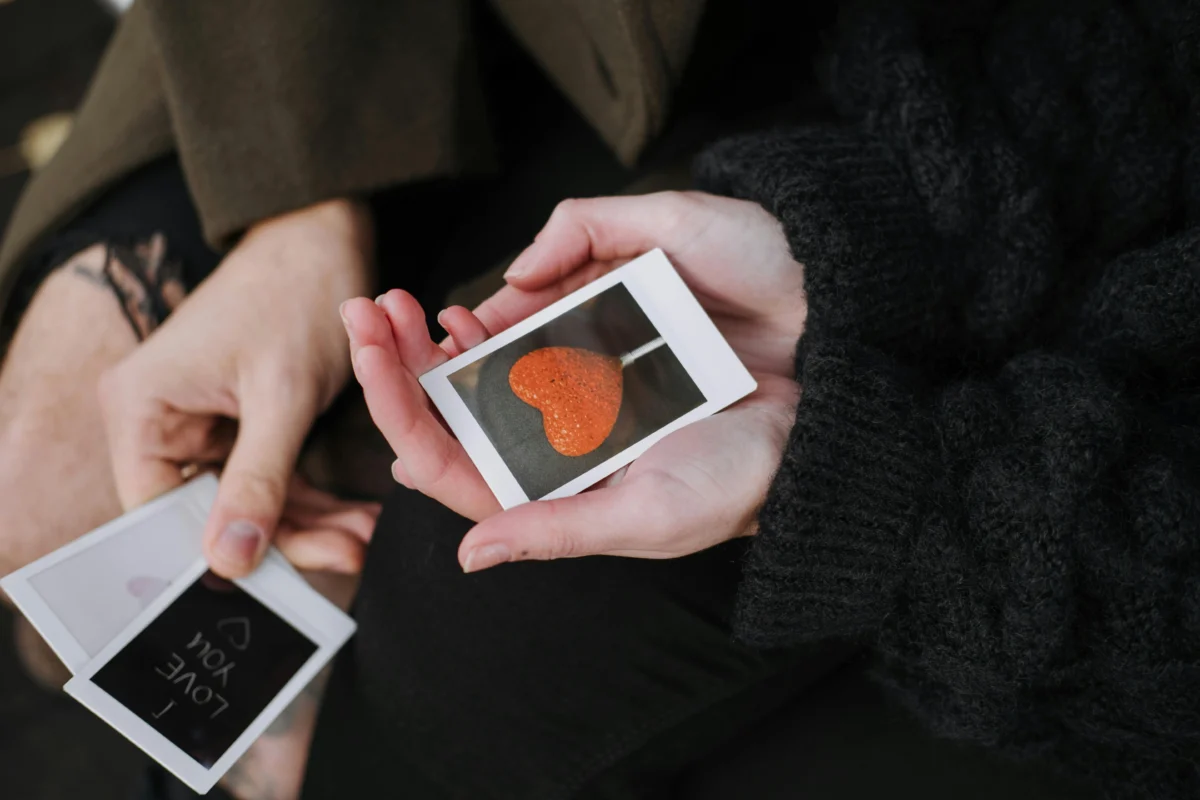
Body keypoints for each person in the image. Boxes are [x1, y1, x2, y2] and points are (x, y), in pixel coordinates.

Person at [326, 1, 1200, 799]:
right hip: (1015, 162)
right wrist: (869, 241)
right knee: (467, 598)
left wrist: (879, 491)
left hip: (1112, 605)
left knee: (469, 647)